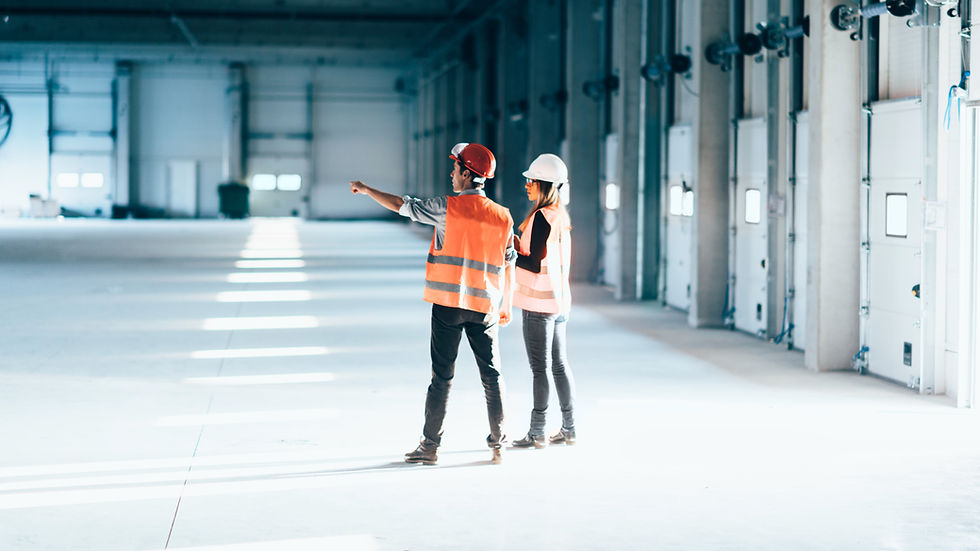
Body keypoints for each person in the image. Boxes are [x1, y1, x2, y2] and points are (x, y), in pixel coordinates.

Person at [350, 142, 516, 465]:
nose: (451, 174)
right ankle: (498, 443)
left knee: (442, 377)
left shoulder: (447, 208)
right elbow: (509, 260)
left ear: (467, 175)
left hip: (448, 305)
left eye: (455, 170)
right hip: (485, 308)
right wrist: (505, 305)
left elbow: (403, 205)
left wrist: (368, 189)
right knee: (492, 375)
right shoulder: (503, 218)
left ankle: (430, 447)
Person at [509, 153, 577, 449]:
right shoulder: (560, 216)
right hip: (559, 302)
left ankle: (537, 432)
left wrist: (511, 252)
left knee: (540, 369)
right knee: (559, 365)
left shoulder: (539, 217)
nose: (526, 185)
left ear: (544, 185)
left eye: (531, 181)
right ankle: (569, 428)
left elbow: (532, 264)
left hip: (538, 305)